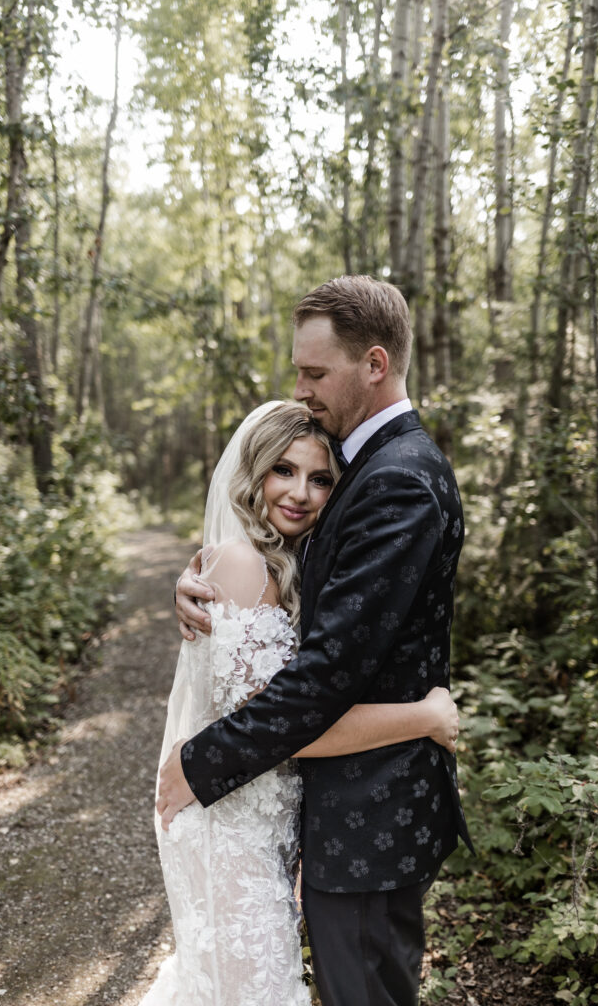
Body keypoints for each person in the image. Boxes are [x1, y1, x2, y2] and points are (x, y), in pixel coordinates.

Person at [160, 276, 473, 1006]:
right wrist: (203, 580)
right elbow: (289, 578)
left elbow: (325, 673)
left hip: (368, 817)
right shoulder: (360, 464)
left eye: (313, 373)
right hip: (328, 814)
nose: (299, 390)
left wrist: (199, 764)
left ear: (373, 363)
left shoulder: (396, 478)